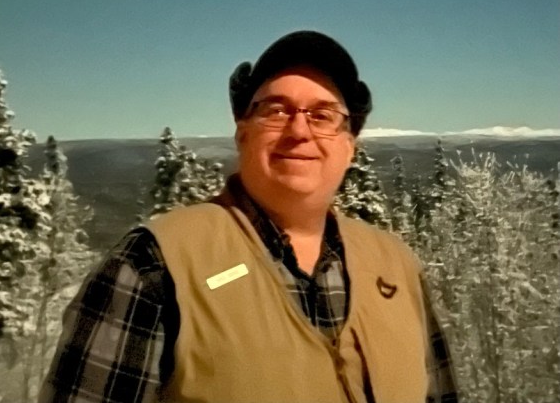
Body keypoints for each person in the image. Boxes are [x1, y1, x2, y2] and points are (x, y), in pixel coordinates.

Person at [39, 30, 457, 403]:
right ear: (243, 134)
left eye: (322, 115)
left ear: (350, 145)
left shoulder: (396, 267)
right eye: (275, 110)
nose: (299, 131)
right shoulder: (153, 265)